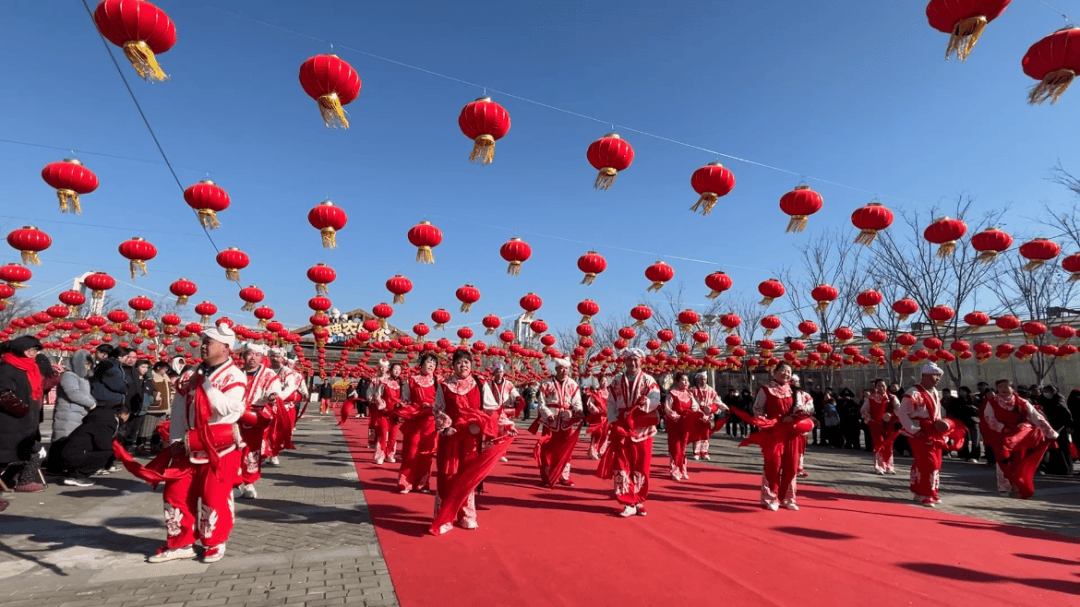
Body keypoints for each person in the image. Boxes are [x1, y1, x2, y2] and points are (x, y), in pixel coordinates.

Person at [149, 324, 246, 564]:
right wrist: (173, 440)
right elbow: (180, 410)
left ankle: (214, 541)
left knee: (214, 496)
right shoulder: (190, 375)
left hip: (219, 445)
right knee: (175, 493)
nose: (203, 346)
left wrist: (205, 385)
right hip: (188, 443)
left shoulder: (235, 376)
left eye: (209, 342)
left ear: (226, 348)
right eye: (202, 340)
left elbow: (227, 409)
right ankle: (181, 542)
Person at [431, 350, 515, 535]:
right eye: (459, 362)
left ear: (471, 365)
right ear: (453, 365)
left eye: (466, 362)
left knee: (468, 474)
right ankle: (444, 516)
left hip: (471, 438)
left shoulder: (480, 384)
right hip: (450, 436)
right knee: (448, 475)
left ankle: (466, 515)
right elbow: (437, 409)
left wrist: (506, 425)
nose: (463, 366)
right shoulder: (444, 385)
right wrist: (445, 426)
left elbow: (493, 409)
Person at [741, 363, 814, 511]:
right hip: (774, 432)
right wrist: (767, 424)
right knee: (773, 465)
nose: (786, 374)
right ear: (775, 372)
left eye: (789, 372)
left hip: (792, 433)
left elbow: (807, 406)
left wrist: (800, 415)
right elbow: (757, 410)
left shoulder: (795, 391)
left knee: (792, 466)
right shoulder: (766, 390)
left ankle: (788, 498)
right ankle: (770, 498)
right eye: (783, 371)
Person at [597, 348, 660, 518]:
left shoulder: (648, 380)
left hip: (642, 428)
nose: (632, 363)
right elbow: (610, 402)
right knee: (622, 464)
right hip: (622, 428)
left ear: (641, 361)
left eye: (635, 360)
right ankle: (627, 500)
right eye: (629, 360)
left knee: (642, 464)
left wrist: (648, 402)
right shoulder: (617, 381)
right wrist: (612, 418)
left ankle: (638, 499)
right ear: (624, 362)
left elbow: (656, 398)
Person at [982, 379, 1058, 497]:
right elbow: (989, 418)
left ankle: (1018, 487)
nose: (1004, 389)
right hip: (1000, 435)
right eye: (1000, 386)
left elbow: (1036, 417)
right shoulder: (992, 402)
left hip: (1019, 437)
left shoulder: (1022, 402)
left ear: (1012, 388)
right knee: (1003, 462)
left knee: (1018, 463)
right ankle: (1007, 488)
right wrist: (1002, 427)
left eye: (1006, 386)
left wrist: (1050, 432)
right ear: (997, 389)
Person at [897, 363, 959, 507]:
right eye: (934, 375)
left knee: (936, 462)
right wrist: (914, 430)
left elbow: (937, 414)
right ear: (924, 375)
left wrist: (942, 425)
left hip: (933, 431)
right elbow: (903, 414)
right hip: (919, 432)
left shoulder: (935, 392)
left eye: (938, 376)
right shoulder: (913, 392)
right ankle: (924, 494)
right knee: (927, 462)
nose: (937, 378)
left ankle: (929, 491)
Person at [0, 336, 47, 493]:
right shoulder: (7, 367)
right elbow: (2, 393)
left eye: (35, 350)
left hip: (27, 422)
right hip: (10, 421)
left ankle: (11, 480)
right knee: (9, 455)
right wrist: (22, 409)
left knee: (28, 452)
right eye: (29, 350)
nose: (33, 353)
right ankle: (20, 481)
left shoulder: (31, 368)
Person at [236, 343, 283, 500]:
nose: (253, 358)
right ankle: (234, 482)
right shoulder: (235, 372)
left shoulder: (268, 374)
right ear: (244, 356)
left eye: (257, 355)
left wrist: (272, 395)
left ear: (262, 358)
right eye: (250, 354)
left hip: (255, 416)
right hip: (233, 414)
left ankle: (249, 483)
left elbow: (275, 389)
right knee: (232, 449)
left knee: (251, 450)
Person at [47, 405, 130, 486]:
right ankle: (76, 476)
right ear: (124, 414)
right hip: (72, 456)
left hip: (68, 454)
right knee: (110, 453)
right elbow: (103, 445)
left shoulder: (99, 417)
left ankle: (72, 472)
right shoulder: (107, 421)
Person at [534, 358, 584, 487]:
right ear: (556, 369)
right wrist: (548, 414)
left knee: (566, 449)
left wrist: (575, 412)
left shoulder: (573, 384)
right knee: (547, 449)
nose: (565, 370)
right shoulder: (547, 384)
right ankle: (547, 476)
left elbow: (577, 402)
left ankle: (564, 476)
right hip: (550, 422)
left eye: (567, 368)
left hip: (567, 422)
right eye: (562, 368)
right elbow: (541, 403)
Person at [396, 353, 438, 494]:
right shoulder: (411, 380)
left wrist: (433, 405)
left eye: (434, 363)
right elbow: (405, 399)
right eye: (428, 362)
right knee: (410, 451)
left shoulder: (439, 381)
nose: (431, 365)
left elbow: (443, 402)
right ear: (422, 364)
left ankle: (423, 483)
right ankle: (405, 482)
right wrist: (403, 406)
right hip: (414, 419)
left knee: (427, 453)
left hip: (431, 421)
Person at [268, 348, 305, 464]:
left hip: (284, 406)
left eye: (278, 356)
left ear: (282, 358)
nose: (275, 358)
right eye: (273, 356)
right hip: (266, 404)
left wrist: (278, 398)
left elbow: (291, 388)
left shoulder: (288, 372)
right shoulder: (266, 370)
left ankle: (274, 453)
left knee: (277, 431)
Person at [51, 349, 96, 443]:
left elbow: (86, 394)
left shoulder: (83, 378)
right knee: (64, 439)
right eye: (86, 364)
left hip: (79, 413)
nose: (88, 367)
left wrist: (93, 402)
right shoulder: (69, 375)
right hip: (68, 413)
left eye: (89, 365)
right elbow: (73, 393)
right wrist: (91, 403)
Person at [483, 363, 523, 464]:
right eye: (497, 372)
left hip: (505, 410)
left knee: (504, 432)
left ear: (503, 373)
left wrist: (518, 398)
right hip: (492, 410)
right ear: (494, 373)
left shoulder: (508, 384)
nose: (499, 374)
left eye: (501, 372)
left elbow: (514, 393)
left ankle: (501, 453)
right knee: (492, 432)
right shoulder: (489, 384)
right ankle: (491, 452)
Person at [663, 372, 698, 481]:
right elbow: (667, 409)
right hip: (674, 424)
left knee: (683, 448)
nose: (686, 382)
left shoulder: (689, 394)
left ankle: (683, 470)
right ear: (677, 382)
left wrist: (691, 413)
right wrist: (677, 417)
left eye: (687, 380)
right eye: (683, 380)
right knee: (675, 448)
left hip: (685, 424)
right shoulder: (672, 394)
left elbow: (695, 406)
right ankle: (675, 471)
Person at [860, 379, 900, 475]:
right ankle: (879, 467)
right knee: (879, 444)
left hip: (889, 424)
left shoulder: (891, 397)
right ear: (876, 387)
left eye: (883, 385)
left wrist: (892, 415)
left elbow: (899, 409)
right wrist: (870, 420)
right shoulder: (871, 398)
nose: (882, 388)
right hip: (876, 425)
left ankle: (889, 466)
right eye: (879, 386)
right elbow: (863, 410)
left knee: (889, 445)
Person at [370, 361, 404, 465]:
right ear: (390, 370)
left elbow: (404, 398)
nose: (397, 371)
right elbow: (377, 396)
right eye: (395, 369)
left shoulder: (401, 383)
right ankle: (380, 455)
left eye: (399, 369)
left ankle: (390, 454)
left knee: (394, 436)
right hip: (384, 413)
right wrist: (381, 404)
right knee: (383, 434)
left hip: (395, 414)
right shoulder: (384, 382)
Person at [688, 372, 727, 461]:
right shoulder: (693, 390)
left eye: (704, 379)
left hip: (708, 416)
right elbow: (691, 403)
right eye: (701, 379)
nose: (703, 381)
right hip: (697, 415)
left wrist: (724, 408)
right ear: (698, 380)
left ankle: (704, 452)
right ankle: (696, 452)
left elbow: (717, 402)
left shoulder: (711, 390)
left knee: (705, 434)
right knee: (697, 434)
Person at [1037, 385, 1073, 476]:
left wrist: (1059, 429)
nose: (1047, 393)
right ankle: (1052, 469)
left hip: (1060, 429)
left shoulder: (1059, 401)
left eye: (1048, 391)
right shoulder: (1042, 401)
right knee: (1052, 450)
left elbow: (1067, 417)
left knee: (1062, 449)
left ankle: (1066, 470)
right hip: (1048, 429)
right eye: (1045, 391)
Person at [139, 362, 175, 454]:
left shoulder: (166, 377)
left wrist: (171, 394)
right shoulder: (151, 376)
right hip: (153, 407)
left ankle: (154, 445)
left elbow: (170, 388)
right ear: (158, 367)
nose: (165, 370)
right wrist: (155, 396)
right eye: (164, 368)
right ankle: (141, 445)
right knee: (147, 428)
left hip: (164, 407)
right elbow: (147, 389)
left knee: (159, 429)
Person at [790, 375, 815, 478]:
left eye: (796, 382)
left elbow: (811, 407)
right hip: (788, 424)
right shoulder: (784, 393)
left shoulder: (805, 395)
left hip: (802, 423)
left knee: (801, 448)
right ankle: (789, 467)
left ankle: (799, 468)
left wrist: (803, 411)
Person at [89, 344, 126, 411]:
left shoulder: (107, 365)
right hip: (106, 400)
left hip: (105, 401)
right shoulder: (109, 364)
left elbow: (116, 384)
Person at [584, 375, 610, 460]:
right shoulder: (596, 392)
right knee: (597, 433)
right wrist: (593, 408)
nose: (604, 383)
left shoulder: (610, 393)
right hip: (597, 417)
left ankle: (601, 451)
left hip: (606, 417)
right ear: (599, 382)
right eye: (602, 381)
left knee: (605, 434)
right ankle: (592, 451)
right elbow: (590, 402)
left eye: (606, 381)